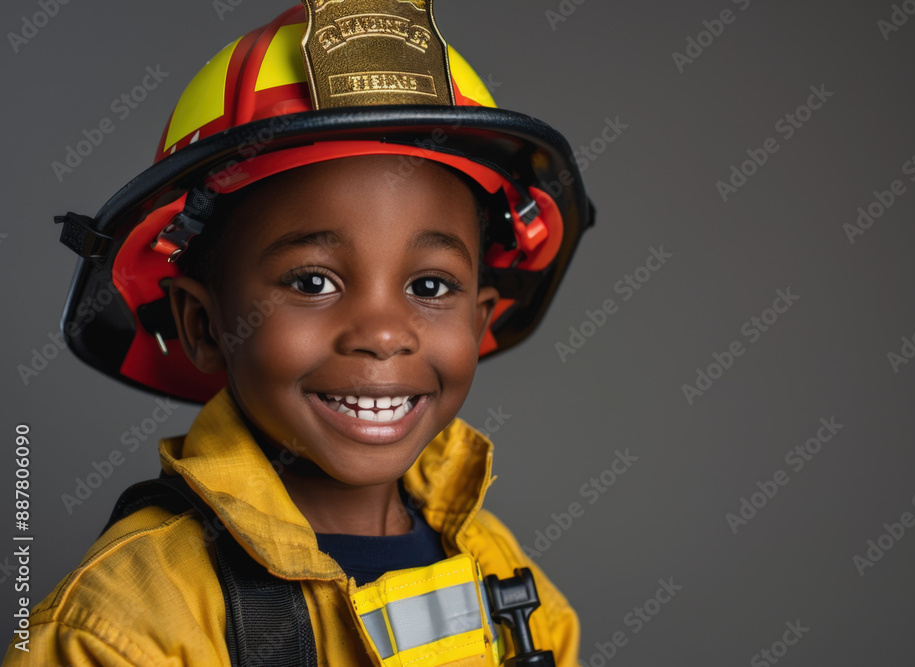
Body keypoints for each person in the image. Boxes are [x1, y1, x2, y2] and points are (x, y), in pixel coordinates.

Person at [5, 2, 594, 665]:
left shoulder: (508, 580)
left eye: (429, 286)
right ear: (202, 323)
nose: (382, 334)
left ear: (480, 317)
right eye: (313, 282)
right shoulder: (123, 625)